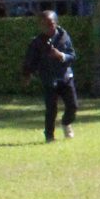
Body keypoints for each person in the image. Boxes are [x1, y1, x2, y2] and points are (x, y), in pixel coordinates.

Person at [23, 9, 79, 142]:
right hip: (49, 79)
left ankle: (66, 123)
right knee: (51, 109)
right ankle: (49, 135)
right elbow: (30, 60)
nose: (48, 27)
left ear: (56, 23)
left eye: (51, 24)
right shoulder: (37, 42)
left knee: (73, 106)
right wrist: (27, 74)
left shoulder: (64, 37)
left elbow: (72, 56)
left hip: (65, 77)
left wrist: (61, 56)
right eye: (44, 25)